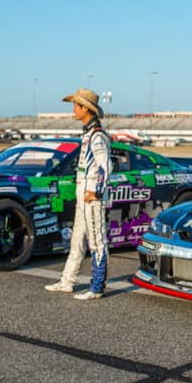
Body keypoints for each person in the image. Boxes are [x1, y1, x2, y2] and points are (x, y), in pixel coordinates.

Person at [45, 88, 111, 300]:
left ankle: (97, 287)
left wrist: (97, 192)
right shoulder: (88, 134)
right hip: (83, 193)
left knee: (97, 241)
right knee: (76, 241)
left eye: (76, 105)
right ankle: (67, 281)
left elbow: (106, 166)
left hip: (92, 195)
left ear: (86, 109)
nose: (73, 109)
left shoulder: (97, 136)